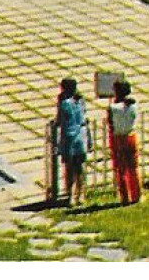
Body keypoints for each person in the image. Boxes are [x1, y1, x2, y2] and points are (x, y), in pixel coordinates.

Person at [53, 78, 90, 206]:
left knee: (69, 168)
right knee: (80, 168)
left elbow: (59, 120)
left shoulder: (63, 103)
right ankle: (81, 194)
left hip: (68, 138)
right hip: (81, 135)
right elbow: (85, 117)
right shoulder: (80, 101)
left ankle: (71, 195)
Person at [107, 78, 142, 205]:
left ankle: (124, 196)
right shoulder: (134, 105)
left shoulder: (113, 108)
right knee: (133, 168)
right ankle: (137, 195)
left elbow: (110, 123)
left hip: (118, 138)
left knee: (120, 169)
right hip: (131, 135)